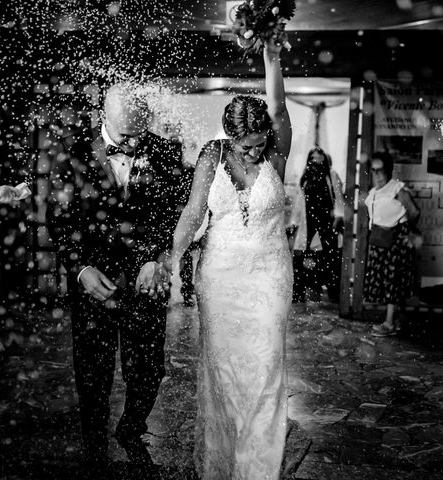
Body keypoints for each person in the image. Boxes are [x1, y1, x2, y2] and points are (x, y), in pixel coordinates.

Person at [46, 85, 187, 471]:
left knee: (148, 370)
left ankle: (131, 427)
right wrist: (80, 270)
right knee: (93, 372)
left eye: (139, 132)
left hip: (146, 282)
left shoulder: (164, 151)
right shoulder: (70, 155)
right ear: (102, 116)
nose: (133, 141)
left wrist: (157, 256)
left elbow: (174, 213)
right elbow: (59, 223)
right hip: (94, 285)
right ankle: (94, 445)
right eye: (125, 134)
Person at [169, 38, 292, 480]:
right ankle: (223, 464)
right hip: (219, 277)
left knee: (265, 368)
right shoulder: (211, 154)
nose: (252, 153)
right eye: (245, 147)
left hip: (269, 275)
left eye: (259, 145)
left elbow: (277, 106)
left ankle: (257, 468)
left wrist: (271, 56)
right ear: (230, 137)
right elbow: (193, 211)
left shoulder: (277, 153)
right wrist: (172, 256)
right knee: (222, 371)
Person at [363, 151, 420, 337]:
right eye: (373, 170)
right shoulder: (374, 191)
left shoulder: (397, 189)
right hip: (380, 239)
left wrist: (403, 230)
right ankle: (394, 320)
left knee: (392, 280)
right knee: (385, 280)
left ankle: (389, 323)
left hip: (394, 241)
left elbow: (414, 211)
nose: (377, 174)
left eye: (380, 170)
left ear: (388, 170)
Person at [290, 147, 344, 302]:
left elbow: (339, 199)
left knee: (329, 263)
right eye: (313, 158)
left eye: (319, 159)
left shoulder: (332, 176)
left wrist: (338, 218)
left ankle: (333, 298)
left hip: (327, 224)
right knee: (301, 261)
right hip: (308, 223)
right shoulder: (305, 177)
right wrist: (294, 222)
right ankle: (300, 298)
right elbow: (299, 202)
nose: (316, 162)